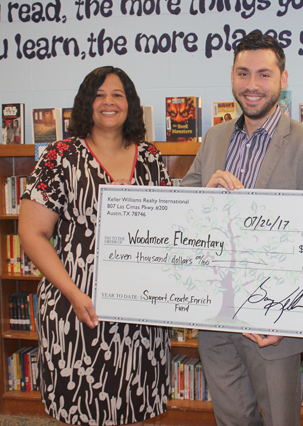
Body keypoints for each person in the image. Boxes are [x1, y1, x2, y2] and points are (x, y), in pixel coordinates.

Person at [181, 31, 303, 426]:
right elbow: (183, 212)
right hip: (216, 317)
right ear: (232, 76)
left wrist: (291, 320)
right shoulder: (214, 138)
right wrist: (203, 195)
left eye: (264, 74)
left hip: (273, 323)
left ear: (283, 79)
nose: (252, 85)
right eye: (243, 73)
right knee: (231, 419)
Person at [18, 66, 171, 426]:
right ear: (86, 103)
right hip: (76, 305)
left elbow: (168, 228)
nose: (108, 102)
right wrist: (74, 294)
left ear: (130, 104)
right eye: (99, 95)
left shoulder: (150, 158)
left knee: (133, 404)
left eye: (117, 94)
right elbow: (32, 233)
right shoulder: (60, 156)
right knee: (82, 407)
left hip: (139, 310)